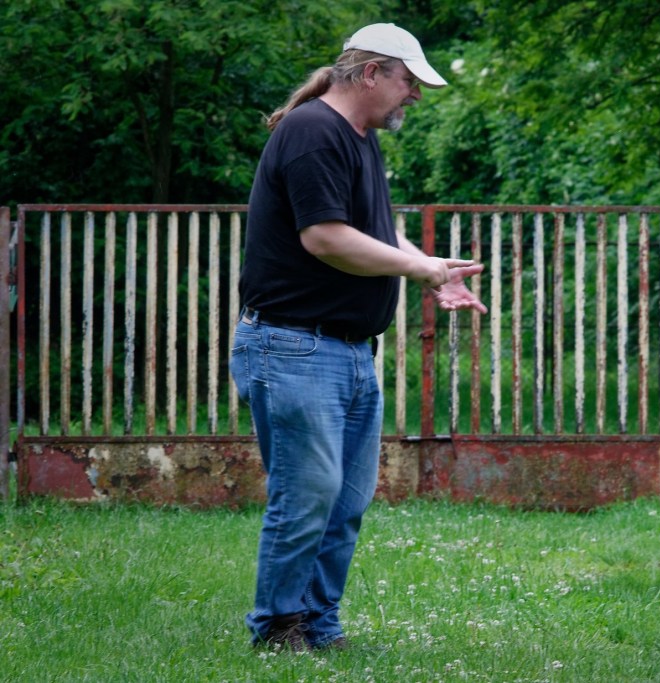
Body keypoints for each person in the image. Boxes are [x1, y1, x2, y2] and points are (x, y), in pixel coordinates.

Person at [230, 22, 487, 652]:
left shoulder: (358, 139)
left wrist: (431, 267)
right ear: (370, 72)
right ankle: (278, 628)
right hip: (294, 348)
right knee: (307, 499)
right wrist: (419, 268)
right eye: (408, 82)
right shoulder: (313, 133)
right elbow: (325, 239)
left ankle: (319, 625)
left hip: (345, 351)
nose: (415, 96)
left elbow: (374, 229)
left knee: (343, 505)